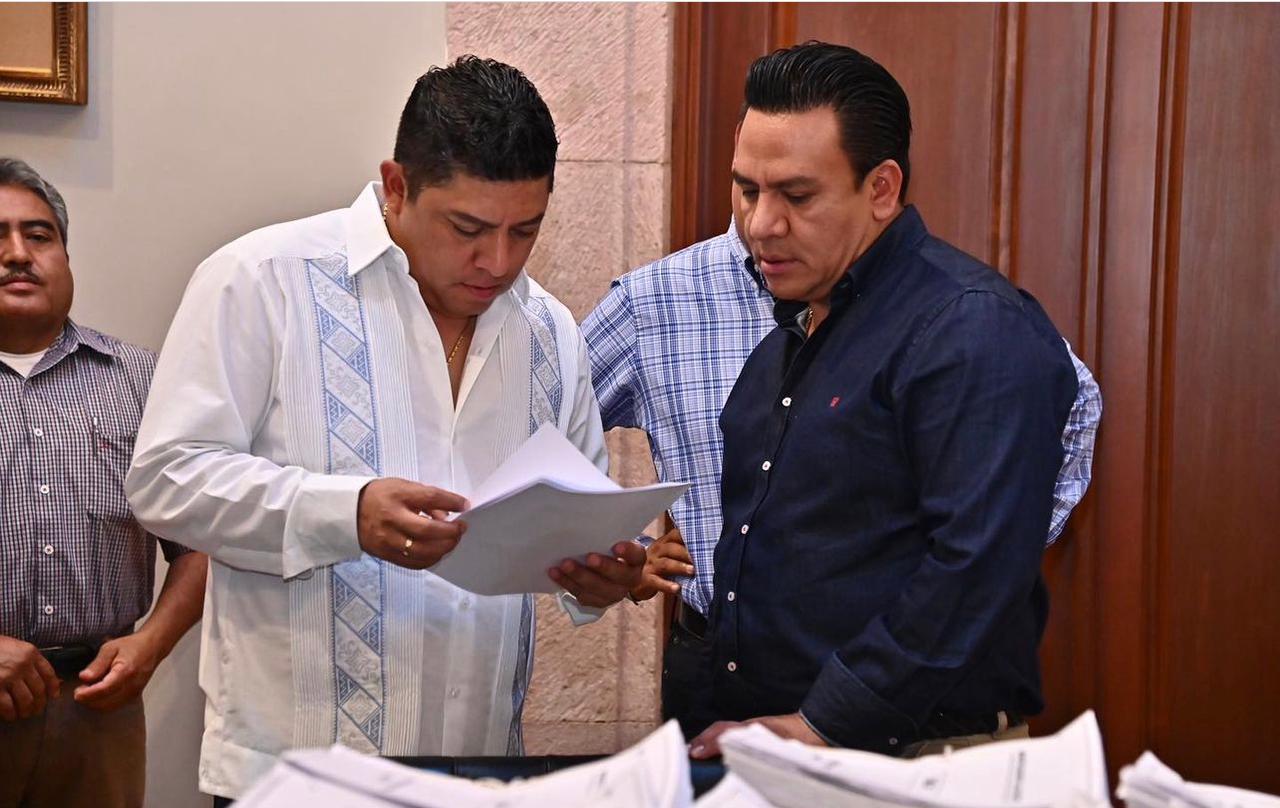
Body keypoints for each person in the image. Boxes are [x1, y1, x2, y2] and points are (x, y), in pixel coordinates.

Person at [124, 57, 644, 803]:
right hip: (295, 777)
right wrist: (346, 513)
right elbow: (166, 478)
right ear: (396, 187)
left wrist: (600, 575)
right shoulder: (263, 279)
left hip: (480, 767)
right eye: (468, 228)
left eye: (524, 230)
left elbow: (576, 516)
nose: (497, 261)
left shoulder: (549, 330)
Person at [583, 60, 1101, 741]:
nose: (760, 224)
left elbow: (975, 566)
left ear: (881, 189)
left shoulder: (970, 326)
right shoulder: (799, 327)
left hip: (911, 756)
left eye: (797, 196)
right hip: (757, 740)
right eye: (746, 190)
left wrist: (822, 723)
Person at [0, 157, 207, 807]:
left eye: (38, 235)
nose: (17, 253)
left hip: (95, 711)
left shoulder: (143, 381)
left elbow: (201, 542)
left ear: (65, 256)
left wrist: (151, 645)